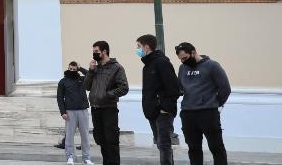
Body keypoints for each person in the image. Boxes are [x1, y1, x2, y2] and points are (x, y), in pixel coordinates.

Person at [175, 42, 231, 165]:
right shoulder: (182, 68)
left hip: (208, 113)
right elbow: (180, 88)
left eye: (185, 58)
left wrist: (214, 103)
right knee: (193, 149)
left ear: (193, 52)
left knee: (216, 147)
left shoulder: (212, 66)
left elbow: (225, 89)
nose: (183, 61)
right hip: (188, 113)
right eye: (180, 59)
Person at [137, 34, 180, 165]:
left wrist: (164, 108)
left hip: (163, 112)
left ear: (147, 46)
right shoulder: (147, 65)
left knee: (164, 144)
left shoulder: (162, 62)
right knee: (160, 145)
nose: (137, 49)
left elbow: (173, 88)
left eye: (139, 46)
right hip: (152, 111)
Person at [83, 40, 129, 165]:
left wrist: (108, 94)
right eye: (93, 52)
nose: (94, 54)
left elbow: (124, 87)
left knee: (111, 140)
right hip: (95, 108)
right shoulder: (95, 68)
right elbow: (87, 86)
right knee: (101, 140)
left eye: (96, 52)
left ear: (104, 51)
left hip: (109, 108)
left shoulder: (116, 67)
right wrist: (91, 71)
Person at [57, 61, 93, 165]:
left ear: (77, 69)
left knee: (85, 135)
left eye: (74, 69)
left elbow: (91, 75)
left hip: (83, 110)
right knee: (69, 135)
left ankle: (86, 158)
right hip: (69, 112)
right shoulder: (62, 82)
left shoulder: (82, 79)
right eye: (70, 69)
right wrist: (62, 112)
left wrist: (81, 68)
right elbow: (60, 98)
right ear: (68, 68)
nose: (72, 71)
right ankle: (70, 157)